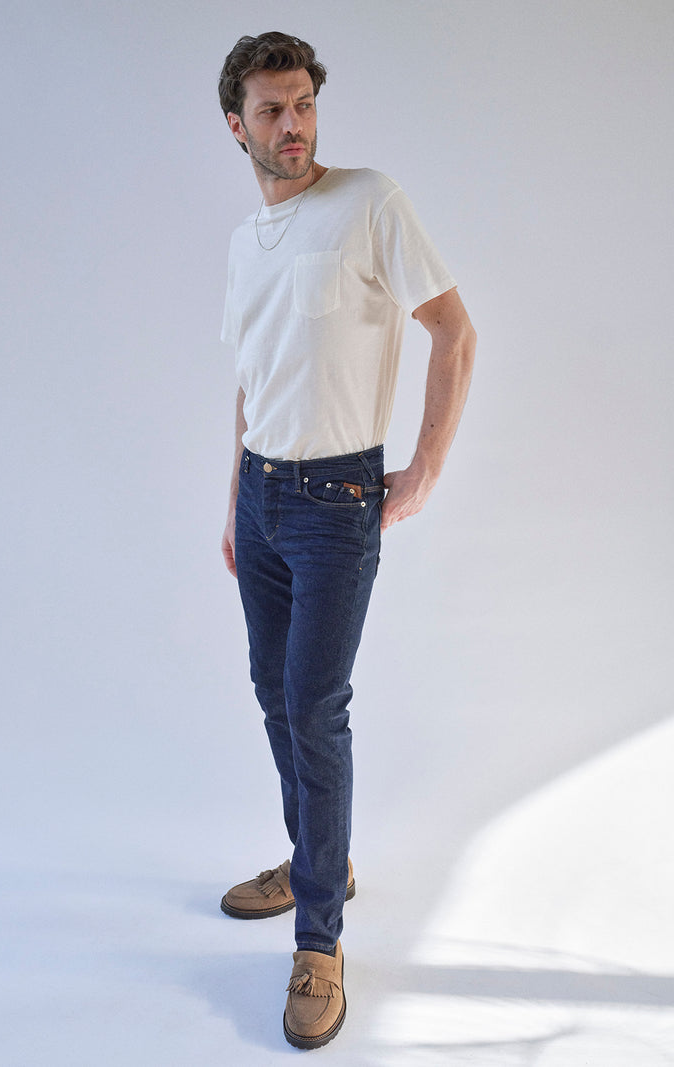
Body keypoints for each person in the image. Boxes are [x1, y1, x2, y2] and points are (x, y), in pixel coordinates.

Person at [217, 31, 476, 1050]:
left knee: (315, 707)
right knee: (269, 688)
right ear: (233, 124)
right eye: (270, 111)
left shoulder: (368, 201)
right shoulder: (244, 240)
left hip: (335, 498)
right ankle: (317, 852)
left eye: (303, 106)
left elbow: (452, 328)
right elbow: (248, 379)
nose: (292, 126)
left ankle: (318, 937)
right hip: (261, 497)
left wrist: (422, 469)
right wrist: (231, 497)